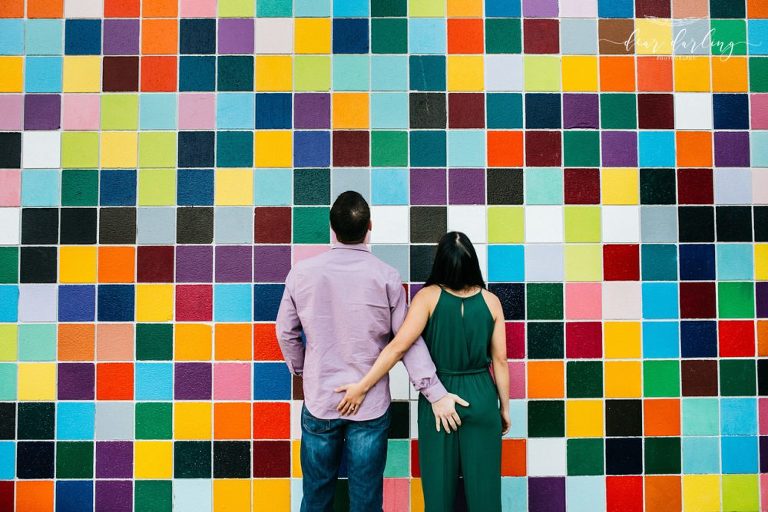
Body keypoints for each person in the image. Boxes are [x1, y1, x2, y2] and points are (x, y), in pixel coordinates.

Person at [275, 191, 469, 512]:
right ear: (369, 227)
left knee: (315, 497)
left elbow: (285, 331)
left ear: (331, 229)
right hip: (369, 407)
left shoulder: (301, 274)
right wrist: (434, 392)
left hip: (320, 401)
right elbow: (406, 341)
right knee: (366, 500)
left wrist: (301, 369)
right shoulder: (387, 277)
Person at [335, 231, 511, 512]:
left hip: (438, 399)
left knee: (438, 492)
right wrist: (504, 408)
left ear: (440, 262)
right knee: (486, 496)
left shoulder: (427, 298)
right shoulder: (492, 302)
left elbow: (397, 348)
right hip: (482, 397)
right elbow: (500, 360)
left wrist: (363, 386)